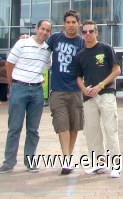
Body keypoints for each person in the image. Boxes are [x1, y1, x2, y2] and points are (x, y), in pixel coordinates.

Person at [0, 19, 52, 174]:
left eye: (48, 30)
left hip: (37, 91)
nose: (44, 32)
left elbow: (48, 66)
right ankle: (8, 162)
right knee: (14, 127)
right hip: (19, 88)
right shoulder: (22, 44)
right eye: (42, 29)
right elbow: (9, 64)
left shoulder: (48, 49)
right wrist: (11, 84)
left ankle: (30, 161)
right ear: (36, 28)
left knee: (33, 129)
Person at [75, 20, 122, 178]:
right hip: (89, 98)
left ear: (96, 32)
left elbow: (116, 70)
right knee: (92, 132)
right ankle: (99, 164)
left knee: (110, 129)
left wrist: (100, 85)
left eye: (90, 31)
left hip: (106, 94)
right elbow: (79, 78)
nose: (88, 34)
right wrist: (84, 89)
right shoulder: (80, 55)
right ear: (82, 35)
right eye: (85, 32)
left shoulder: (106, 48)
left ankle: (116, 165)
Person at [46, 9, 85, 175]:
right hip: (58, 90)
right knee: (62, 125)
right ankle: (66, 159)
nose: (70, 25)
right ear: (64, 24)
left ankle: (68, 158)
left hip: (76, 90)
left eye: (73, 22)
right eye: (68, 22)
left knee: (74, 126)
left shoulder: (82, 42)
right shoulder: (55, 38)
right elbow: (40, 46)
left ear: (78, 24)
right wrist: (27, 38)